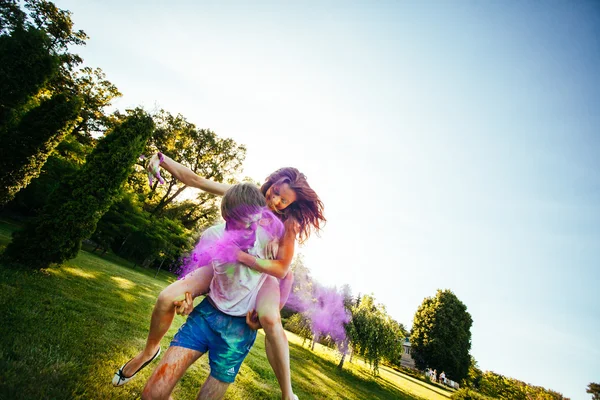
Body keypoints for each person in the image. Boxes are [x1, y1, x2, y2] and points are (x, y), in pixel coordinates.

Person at [113, 152, 325, 400]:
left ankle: (287, 393)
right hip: (223, 265)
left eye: (284, 200)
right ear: (271, 182)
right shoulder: (247, 197)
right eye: (275, 191)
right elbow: (197, 181)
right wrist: (162, 159)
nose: (275, 200)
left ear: (291, 205)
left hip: (257, 275)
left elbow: (283, 271)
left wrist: (248, 263)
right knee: (166, 297)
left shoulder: (287, 225)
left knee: (270, 320)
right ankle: (149, 352)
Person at [139, 183, 283, 399]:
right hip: (205, 318)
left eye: (255, 222)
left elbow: (284, 276)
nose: (252, 230)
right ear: (227, 219)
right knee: (152, 395)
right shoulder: (211, 237)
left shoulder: (268, 242)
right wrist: (187, 300)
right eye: (245, 225)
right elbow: (202, 275)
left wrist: (270, 313)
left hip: (238, 332)